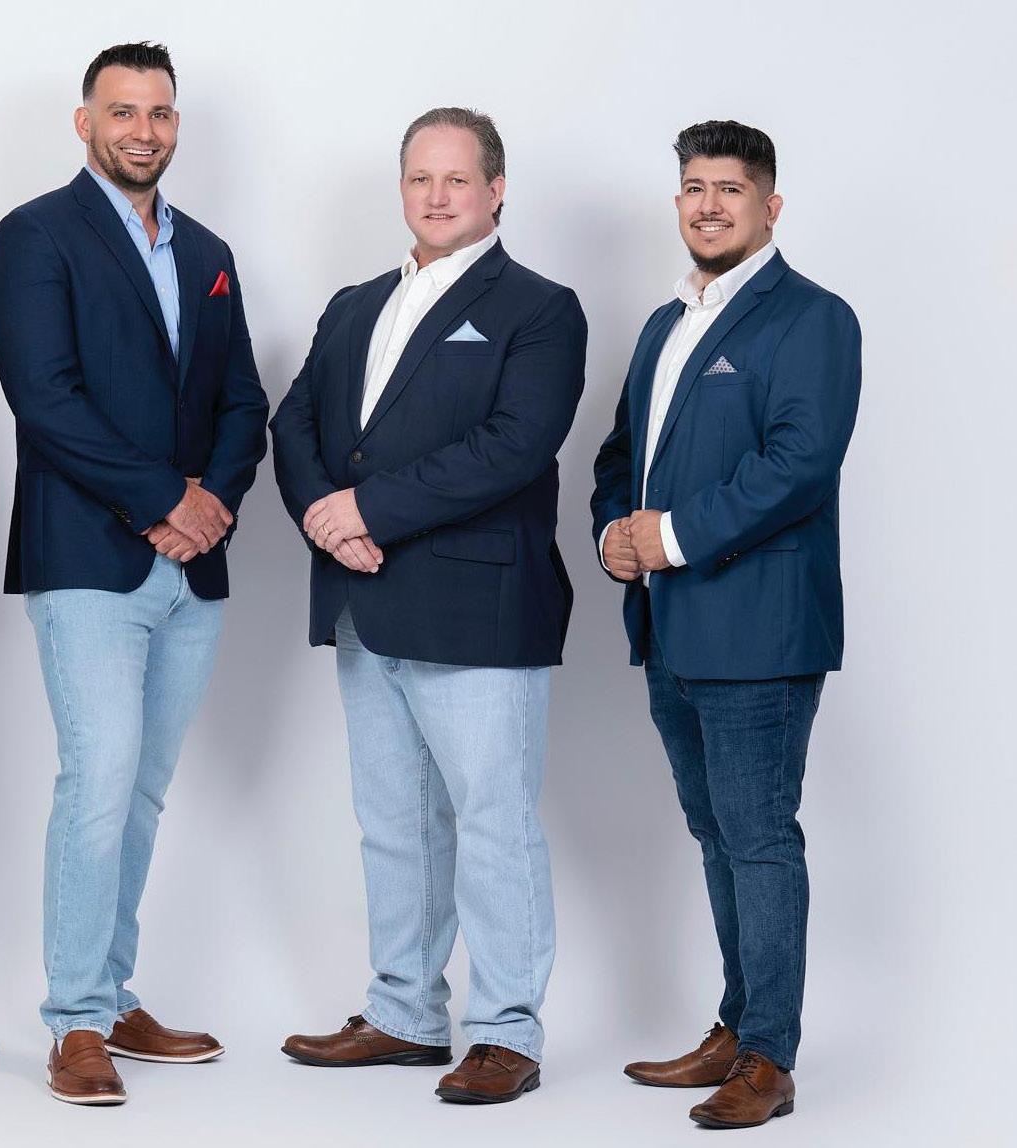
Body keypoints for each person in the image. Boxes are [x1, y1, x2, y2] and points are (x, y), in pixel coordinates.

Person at [270, 107, 586, 1105]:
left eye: (457, 178)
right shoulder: (355, 304)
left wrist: (365, 509)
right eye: (420, 177)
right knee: (394, 820)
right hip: (364, 599)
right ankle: (405, 1010)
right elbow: (294, 423)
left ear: (496, 190)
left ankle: (506, 1029)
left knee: (493, 821)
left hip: (477, 607)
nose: (437, 195)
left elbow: (513, 445)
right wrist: (325, 519)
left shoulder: (540, 308)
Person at [0, 42, 269, 1105]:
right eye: (122, 111)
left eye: (159, 113)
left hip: (192, 566)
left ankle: (109, 992)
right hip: (90, 557)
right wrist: (164, 501)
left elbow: (243, 399)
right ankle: (73, 1020)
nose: (143, 131)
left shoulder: (209, 250)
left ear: (176, 124)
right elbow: (45, 398)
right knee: (98, 780)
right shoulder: (35, 235)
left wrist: (212, 503)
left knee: (141, 791)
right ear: (85, 122)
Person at [591, 120, 861, 1130]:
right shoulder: (665, 324)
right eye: (696, 188)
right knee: (714, 833)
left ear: (770, 206)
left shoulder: (814, 318)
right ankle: (737, 1022)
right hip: (671, 626)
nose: (710, 205)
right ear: (679, 203)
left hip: (760, 629)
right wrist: (614, 536)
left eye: (731, 189)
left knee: (758, 838)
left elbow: (798, 464)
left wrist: (670, 536)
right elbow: (622, 454)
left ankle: (769, 1057)